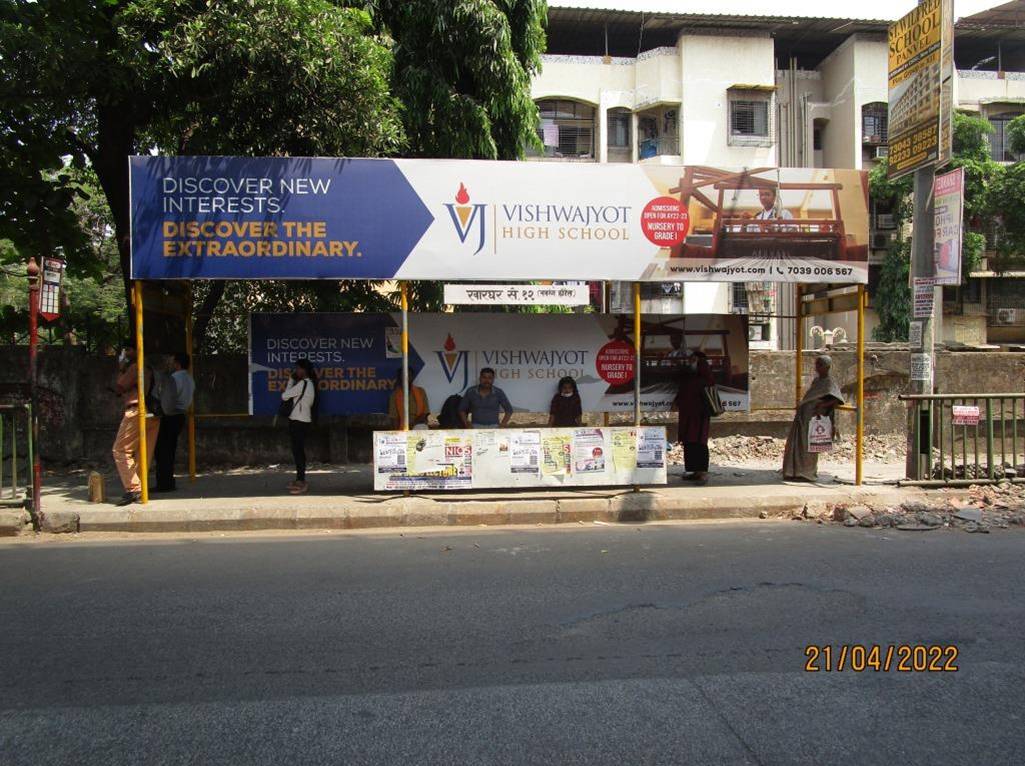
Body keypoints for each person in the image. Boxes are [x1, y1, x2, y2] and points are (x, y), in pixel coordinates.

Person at [110, 340, 160, 506]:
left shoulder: (134, 368)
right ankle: (140, 487)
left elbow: (119, 387)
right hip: (152, 412)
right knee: (144, 453)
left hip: (136, 410)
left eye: (128, 350)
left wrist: (121, 367)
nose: (126, 353)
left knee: (120, 450)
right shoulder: (149, 369)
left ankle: (133, 488)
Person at [783, 354, 845, 482]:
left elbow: (836, 399)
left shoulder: (829, 382)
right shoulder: (817, 381)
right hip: (803, 417)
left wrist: (822, 405)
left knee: (809, 446)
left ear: (827, 367)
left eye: (819, 364)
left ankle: (806, 473)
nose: (817, 367)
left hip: (814, 419)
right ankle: (793, 471)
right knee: (796, 444)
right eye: (817, 364)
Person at [153, 352, 195, 492]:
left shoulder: (174, 378)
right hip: (180, 415)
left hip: (170, 415)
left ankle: (164, 483)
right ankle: (168, 481)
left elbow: (167, 398)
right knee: (170, 449)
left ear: (177, 363)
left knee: (162, 450)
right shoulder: (189, 379)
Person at [675, 349, 714, 485]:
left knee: (699, 442)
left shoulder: (704, 376)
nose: (691, 362)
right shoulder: (689, 376)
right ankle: (693, 470)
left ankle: (702, 471)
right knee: (688, 441)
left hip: (700, 415)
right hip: (688, 413)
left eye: (693, 360)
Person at [282, 358, 317, 494]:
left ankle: (301, 480)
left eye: (298, 368)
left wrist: (290, 380)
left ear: (304, 370)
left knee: (298, 452)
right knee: (298, 451)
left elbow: (284, 396)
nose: (296, 371)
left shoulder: (303, 384)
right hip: (301, 421)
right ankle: (299, 478)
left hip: (298, 422)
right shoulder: (309, 384)